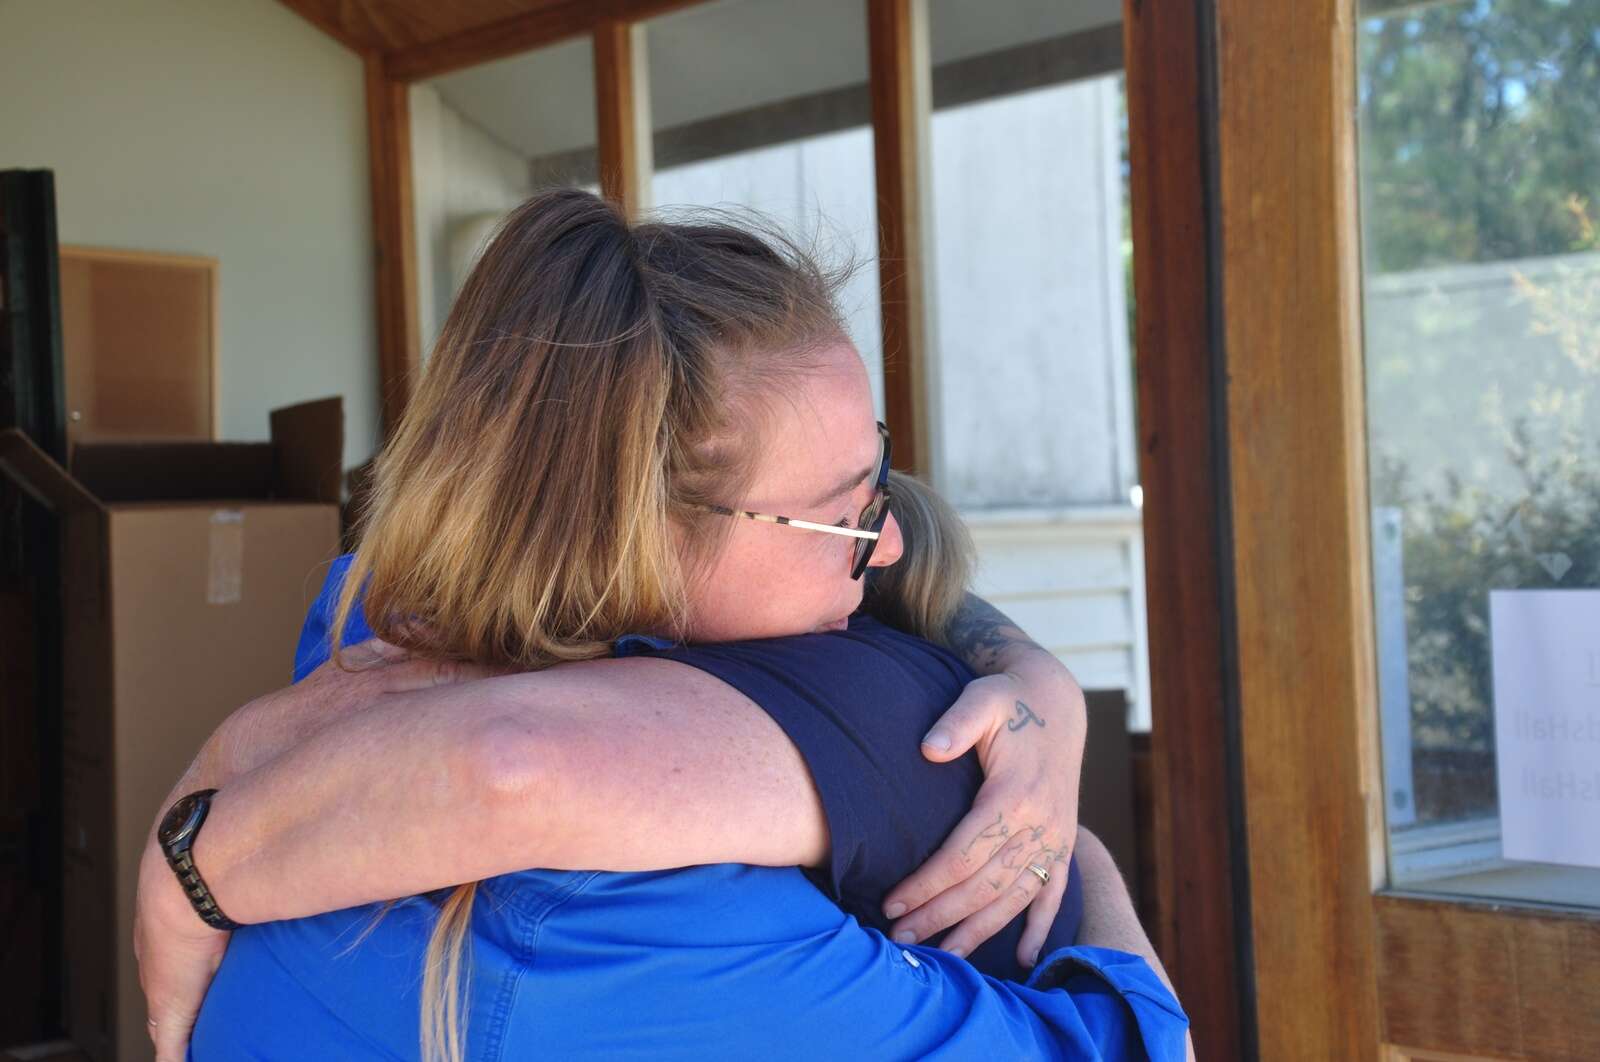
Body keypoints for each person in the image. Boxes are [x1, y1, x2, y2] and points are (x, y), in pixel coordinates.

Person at [134, 189, 1187, 1059]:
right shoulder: (658, 935)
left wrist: (1033, 681)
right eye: (841, 514)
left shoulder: (365, 612)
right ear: (632, 534)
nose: (888, 548)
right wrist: (1073, 847)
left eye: (880, 483)